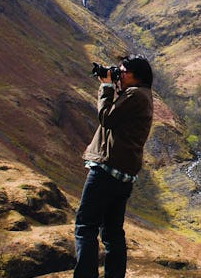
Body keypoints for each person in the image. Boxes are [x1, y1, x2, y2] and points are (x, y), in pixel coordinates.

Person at [74, 55, 154, 278]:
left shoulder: (136, 95)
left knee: (85, 226)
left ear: (135, 75)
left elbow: (106, 118)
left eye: (122, 71)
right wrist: (115, 87)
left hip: (107, 170)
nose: (119, 74)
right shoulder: (140, 95)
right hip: (123, 174)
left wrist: (107, 87)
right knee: (111, 233)